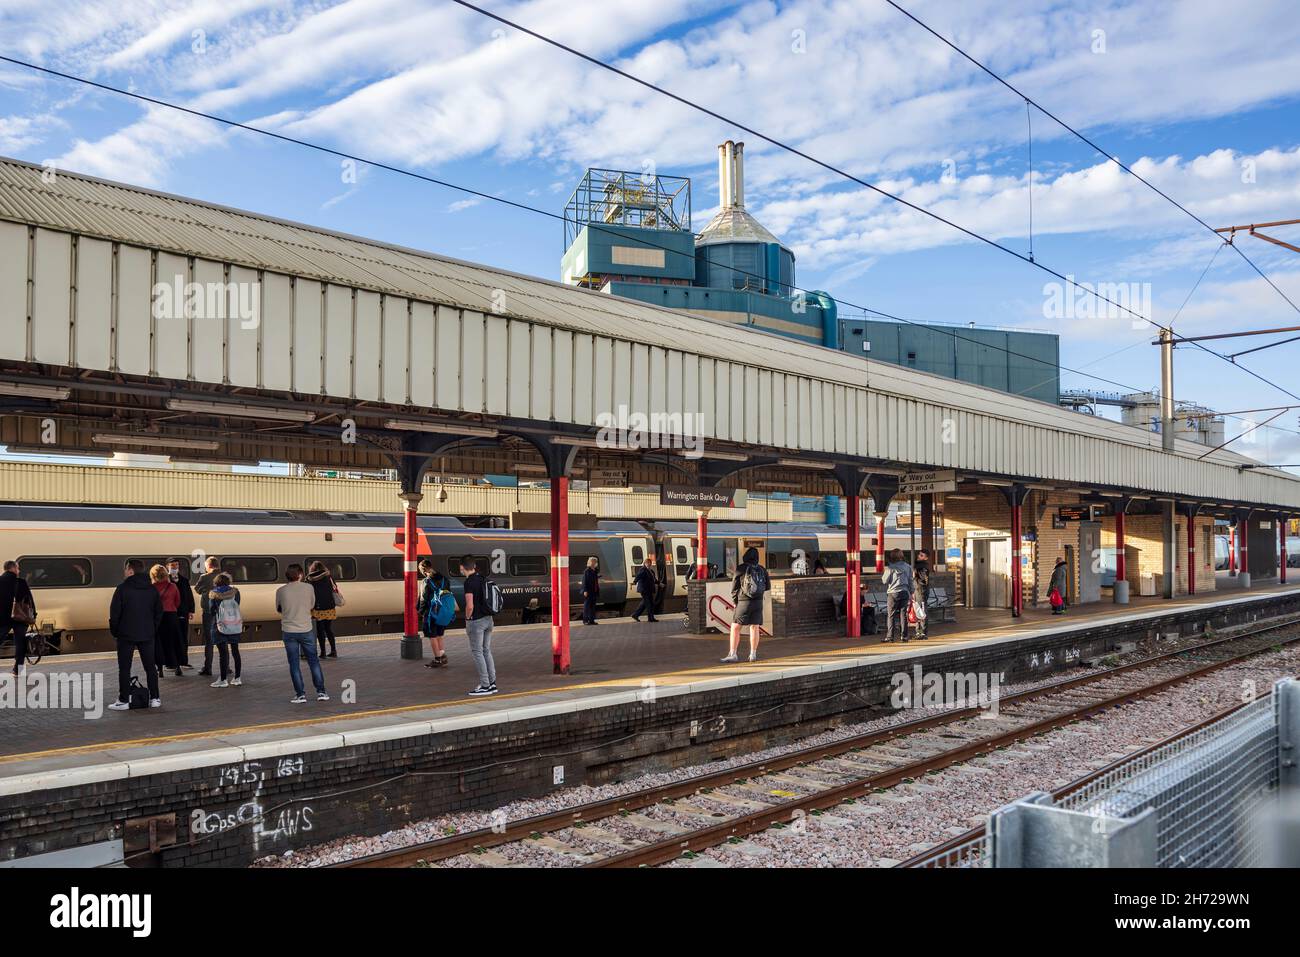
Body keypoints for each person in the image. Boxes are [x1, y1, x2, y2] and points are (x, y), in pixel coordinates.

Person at [108, 559, 163, 710]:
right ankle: (155, 698)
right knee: (150, 667)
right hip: (147, 634)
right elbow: (159, 611)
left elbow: (115, 614)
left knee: (124, 668)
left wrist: (116, 631)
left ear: (131, 571)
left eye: (126, 569)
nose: (124, 572)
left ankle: (124, 700)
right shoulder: (152, 589)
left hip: (126, 635)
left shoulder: (122, 589)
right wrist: (152, 628)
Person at [277, 564, 329, 703]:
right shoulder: (309, 588)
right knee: (314, 662)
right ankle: (321, 692)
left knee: (294, 664)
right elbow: (312, 605)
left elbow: (279, 608)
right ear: (300, 575)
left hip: (289, 631)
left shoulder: (281, 590)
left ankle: (300, 695)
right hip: (306, 630)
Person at [722, 547, 768, 663]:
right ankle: (753, 654)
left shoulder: (741, 568)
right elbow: (767, 586)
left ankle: (733, 654)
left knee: (735, 627)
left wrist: (735, 602)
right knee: (755, 627)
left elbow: (734, 587)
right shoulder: (762, 569)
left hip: (744, 602)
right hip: (758, 602)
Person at [461, 555, 497, 697]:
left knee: (477, 652)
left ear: (462, 567)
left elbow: (470, 605)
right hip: (488, 619)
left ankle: (485, 685)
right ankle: (492, 683)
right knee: (486, 650)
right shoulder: (482, 578)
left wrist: (467, 618)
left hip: (476, 621)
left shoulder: (469, 582)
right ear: (474, 566)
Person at [208, 573, 243, 688]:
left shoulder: (213, 594)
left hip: (220, 626)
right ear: (228, 582)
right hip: (234, 624)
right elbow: (237, 604)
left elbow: (211, 610)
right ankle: (237, 678)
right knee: (235, 651)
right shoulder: (235, 592)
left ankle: (223, 680)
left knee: (223, 654)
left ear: (216, 582)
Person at [1, 560, 35, 676]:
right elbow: (29, 601)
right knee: (20, 643)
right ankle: (18, 671)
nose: (19, 570)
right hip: (20, 617)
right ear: (13, 569)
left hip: (3, 619)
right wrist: (32, 616)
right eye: (18, 568)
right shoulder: (21, 582)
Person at [150, 563, 183, 678]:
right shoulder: (173, 586)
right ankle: (177, 667)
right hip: (171, 616)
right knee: (174, 641)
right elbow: (178, 602)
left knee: (158, 643)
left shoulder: (151, 588)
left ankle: (160, 669)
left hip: (157, 618)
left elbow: (150, 604)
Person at [418, 559, 452, 668]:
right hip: (443, 611)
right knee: (440, 634)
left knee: (432, 636)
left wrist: (421, 612)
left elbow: (423, 599)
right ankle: (442, 656)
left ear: (423, 570)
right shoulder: (444, 579)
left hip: (431, 613)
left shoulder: (426, 582)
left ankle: (438, 660)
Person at [167, 557, 196, 670]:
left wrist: (191, 610)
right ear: (167, 567)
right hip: (169, 613)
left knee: (183, 637)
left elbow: (189, 596)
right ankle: (170, 663)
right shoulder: (165, 580)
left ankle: (183, 661)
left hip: (183, 613)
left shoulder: (184, 580)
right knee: (171, 637)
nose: (175, 567)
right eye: (172, 565)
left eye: (177, 565)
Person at [307, 561, 339, 658]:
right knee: (328, 629)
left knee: (320, 631)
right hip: (329, 606)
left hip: (318, 607)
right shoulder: (329, 576)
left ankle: (323, 652)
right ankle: (333, 651)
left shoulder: (309, 578)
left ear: (312, 569)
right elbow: (335, 587)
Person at [881, 549, 914, 643]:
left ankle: (890, 637)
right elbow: (911, 580)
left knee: (891, 615)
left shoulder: (890, 568)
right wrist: (912, 592)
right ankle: (904, 636)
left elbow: (884, 581)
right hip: (904, 592)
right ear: (901, 556)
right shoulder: (908, 567)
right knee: (903, 615)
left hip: (893, 593)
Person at [195, 556, 220, 676]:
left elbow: (197, 589)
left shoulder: (204, 577)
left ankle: (208, 667)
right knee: (222, 639)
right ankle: (226, 667)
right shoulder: (225, 576)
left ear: (208, 566)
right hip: (222, 612)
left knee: (209, 640)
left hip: (208, 611)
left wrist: (205, 590)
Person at [631, 557, 658, 622]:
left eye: (650, 563)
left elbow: (654, 579)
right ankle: (650, 618)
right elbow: (638, 576)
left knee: (646, 603)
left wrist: (659, 583)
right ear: (645, 563)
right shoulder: (643, 570)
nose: (649, 564)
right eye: (647, 563)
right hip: (644, 590)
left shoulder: (651, 571)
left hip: (649, 590)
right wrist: (634, 582)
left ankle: (635, 615)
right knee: (649, 604)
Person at [912, 550, 931, 641]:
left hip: (921, 590)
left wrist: (915, 577)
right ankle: (919, 631)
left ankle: (922, 632)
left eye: (921, 555)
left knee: (921, 610)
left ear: (926, 558)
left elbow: (924, 579)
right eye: (919, 554)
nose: (919, 556)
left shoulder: (922, 566)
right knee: (918, 610)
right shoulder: (920, 565)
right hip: (918, 590)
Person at [581, 557, 600, 625]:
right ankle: (585, 620)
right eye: (593, 562)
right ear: (590, 563)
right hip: (588, 591)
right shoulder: (587, 571)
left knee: (592, 607)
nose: (594, 563)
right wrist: (585, 590)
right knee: (587, 607)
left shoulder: (595, 571)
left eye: (595, 562)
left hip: (594, 591)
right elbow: (584, 581)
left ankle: (591, 620)